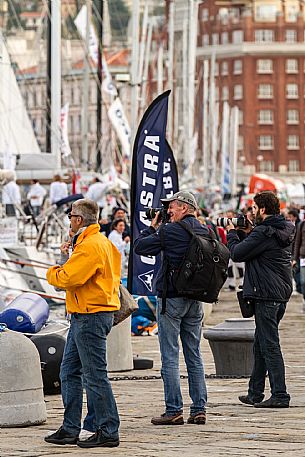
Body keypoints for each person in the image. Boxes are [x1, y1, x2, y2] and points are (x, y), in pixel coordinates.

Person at [45, 198, 121, 448]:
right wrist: (69, 253)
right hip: (88, 313)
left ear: (78, 220)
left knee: (95, 375)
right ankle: (70, 428)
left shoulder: (90, 246)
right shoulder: (102, 242)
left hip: (90, 315)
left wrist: (53, 270)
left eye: (70, 217)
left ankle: (108, 429)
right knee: (68, 372)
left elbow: (68, 278)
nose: (69, 221)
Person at [134, 191, 208, 426]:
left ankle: (174, 409)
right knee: (194, 355)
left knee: (169, 354)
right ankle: (198, 409)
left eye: (172, 207)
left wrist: (153, 228)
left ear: (184, 208)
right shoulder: (205, 230)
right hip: (195, 299)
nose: (167, 211)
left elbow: (140, 247)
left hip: (172, 299)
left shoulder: (169, 230)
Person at [226, 191, 294, 408]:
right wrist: (249, 231)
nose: (251, 213)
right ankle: (255, 393)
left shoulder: (264, 232)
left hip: (266, 295)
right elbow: (259, 249)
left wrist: (232, 233)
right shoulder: (280, 229)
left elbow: (237, 254)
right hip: (278, 294)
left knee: (270, 345)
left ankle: (280, 395)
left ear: (263, 210)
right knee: (260, 344)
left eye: (254, 209)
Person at [292, 215, 305, 311]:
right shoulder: (302, 224)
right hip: (303, 257)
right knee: (303, 281)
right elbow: (297, 242)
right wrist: (295, 258)